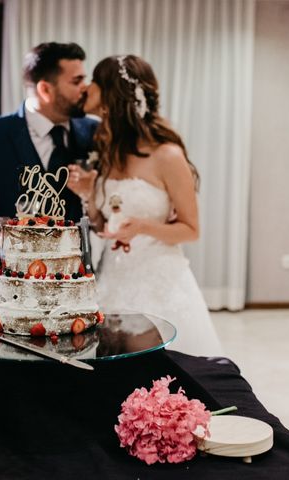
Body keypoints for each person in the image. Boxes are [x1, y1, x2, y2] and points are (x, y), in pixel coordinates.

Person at [67, 55, 223, 357]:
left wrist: (142, 228)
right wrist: (88, 194)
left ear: (111, 96)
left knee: (156, 372)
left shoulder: (167, 155)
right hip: (112, 279)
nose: (87, 88)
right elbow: (105, 226)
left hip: (158, 284)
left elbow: (191, 230)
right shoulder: (109, 150)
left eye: (94, 83)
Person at [0, 42, 98, 310]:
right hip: (3, 299)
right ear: (45, 89)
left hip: (71, 300)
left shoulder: (92, 134)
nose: (85, 87)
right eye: (76, 80)